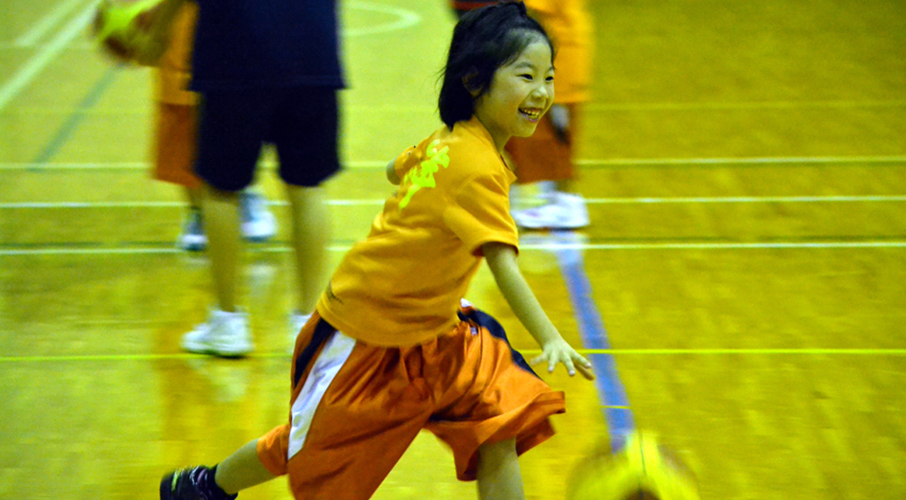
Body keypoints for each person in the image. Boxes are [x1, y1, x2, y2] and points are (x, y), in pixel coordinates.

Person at [159, 3, 594, 499]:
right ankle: (206, 487)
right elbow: (504, 265)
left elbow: (396, 167)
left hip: (438, 334)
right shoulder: (476, 167)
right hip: (364, 334)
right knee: (300, 448)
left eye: (548, 77)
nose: (541, 92)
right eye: (525, 76)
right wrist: (551, 337)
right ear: (474, 81)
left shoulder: (453, 141)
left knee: (500, 421)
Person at [137, 0, 343, 356]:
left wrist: (157, 31)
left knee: (220, 191)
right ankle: (310, 324)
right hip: (313, 48)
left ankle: (228, 323)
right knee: (308, 188)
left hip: (233, 51)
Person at [452, 0, 593, 230]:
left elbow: (529, 12)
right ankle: (551, 201)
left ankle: (567, 205)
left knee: (551, 135)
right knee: (533, 132)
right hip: (556, 56)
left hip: (558, 60)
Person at [151, 2, 276, 252]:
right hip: (176, 27)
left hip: (230, 21)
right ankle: (197, 212)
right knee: (180, 115)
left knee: (238, 107)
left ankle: (248, 191)